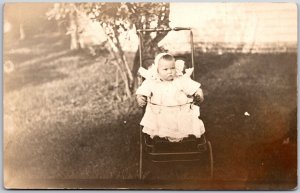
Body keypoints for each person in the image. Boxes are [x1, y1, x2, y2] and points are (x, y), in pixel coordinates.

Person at [136, 53, 205, 142]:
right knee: (161, 122)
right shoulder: (152, 82)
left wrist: (199, 94)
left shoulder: (181, 80)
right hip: (160, 113)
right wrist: (140, 98)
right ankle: (163, 139)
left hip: (181, 111)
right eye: (165, 69)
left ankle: (183, 139)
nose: (170, 71)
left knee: (187, 120)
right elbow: (142, 91)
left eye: (172, 68)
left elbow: (195, 88)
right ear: (157, 70)